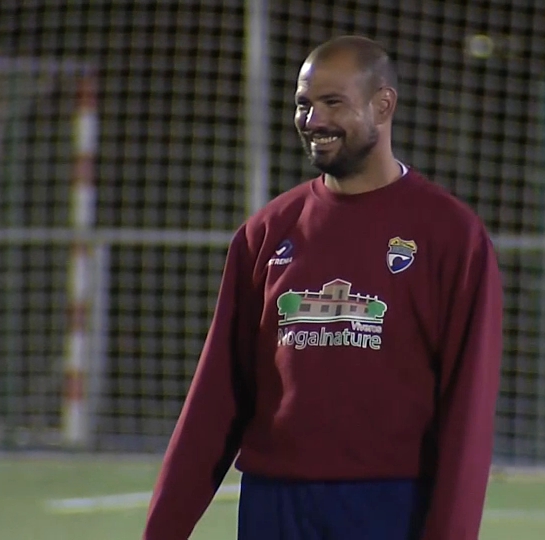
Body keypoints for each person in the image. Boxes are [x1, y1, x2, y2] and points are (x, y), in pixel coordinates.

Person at [143, 35, 503, 540]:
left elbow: (469, 410)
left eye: (333, 102)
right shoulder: (267, 232)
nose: (313, 120)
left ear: (383, 105)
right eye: (304, 104)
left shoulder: (452, 236)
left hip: (391, 505)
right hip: (274, 504)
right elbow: (216, 397)